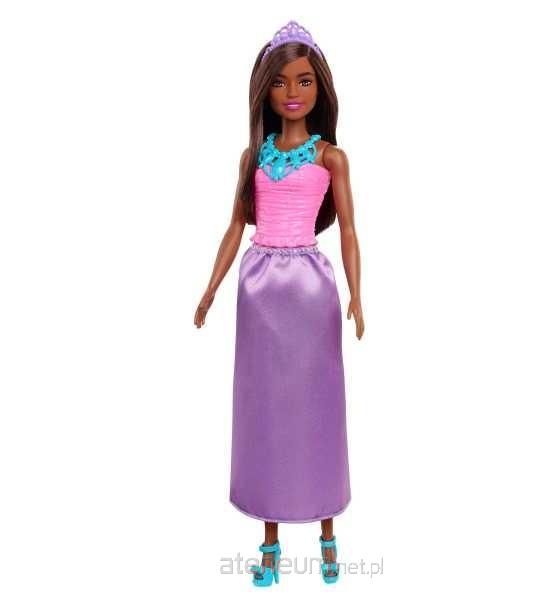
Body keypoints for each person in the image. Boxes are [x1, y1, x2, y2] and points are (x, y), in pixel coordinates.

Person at [194, 20, 364, 586]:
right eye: (280, 82)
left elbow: (349, 230)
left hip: (310, 290)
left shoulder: (331, 157)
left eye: (304, 81)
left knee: (318, 409)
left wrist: (357, 294)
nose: (292, 92)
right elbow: (234, 227)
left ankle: (327, 533)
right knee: (265, 411)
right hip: (260, 290)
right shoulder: (254, 157)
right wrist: (211, 288)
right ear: (264, 89)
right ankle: (269, 542)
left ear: (321, 88)